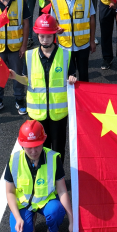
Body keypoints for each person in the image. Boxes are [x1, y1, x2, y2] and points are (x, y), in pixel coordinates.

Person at [5, 120, 74, 232]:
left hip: (46, 202)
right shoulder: (13, 160)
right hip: (24, 204)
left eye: (37, 145)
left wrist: (71, 220)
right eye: (29, 147)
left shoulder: (54, 159)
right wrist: (18, 218)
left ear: (44, 140)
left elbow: (62, 190)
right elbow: (10, 193)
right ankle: (29, 219)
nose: (33, 151)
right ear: (21, 144)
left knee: (56, 211)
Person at [14, 14, 78, 157]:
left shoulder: (66, 55)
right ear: (37, 35)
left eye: (48, 36)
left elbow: (72, 75)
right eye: (42, 36)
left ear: (54, 34)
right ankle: (43, 176)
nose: (45, 40)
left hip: (58, 114)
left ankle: (57, 177)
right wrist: (15, 77)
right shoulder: (29, 55)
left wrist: (72, 78)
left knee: (58, 148)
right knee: (39, 149)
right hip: (37, 114)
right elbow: (27, 80)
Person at [50, 0, 95, 82]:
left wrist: (92, 41)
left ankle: (84, 98)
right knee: (70, 76)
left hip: (83, 44)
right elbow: (53, 21)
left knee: (84, 74)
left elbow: (92, 19)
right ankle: (71, 99)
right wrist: (56, 28)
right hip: (65, 45)